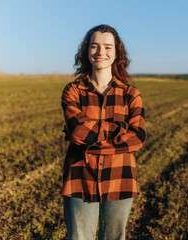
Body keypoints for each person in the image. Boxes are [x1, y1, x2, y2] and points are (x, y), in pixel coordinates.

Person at [61, 24, 147, 240]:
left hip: (120, 177)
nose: (101, 53)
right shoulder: (73, 91)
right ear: (86, 51)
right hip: (80, 177)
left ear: (117, 53)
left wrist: (89, 140)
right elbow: (79, 131)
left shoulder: (131, 94)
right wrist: (121, 130)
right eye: (95, 46)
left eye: (108, 47)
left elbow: (138, 137)